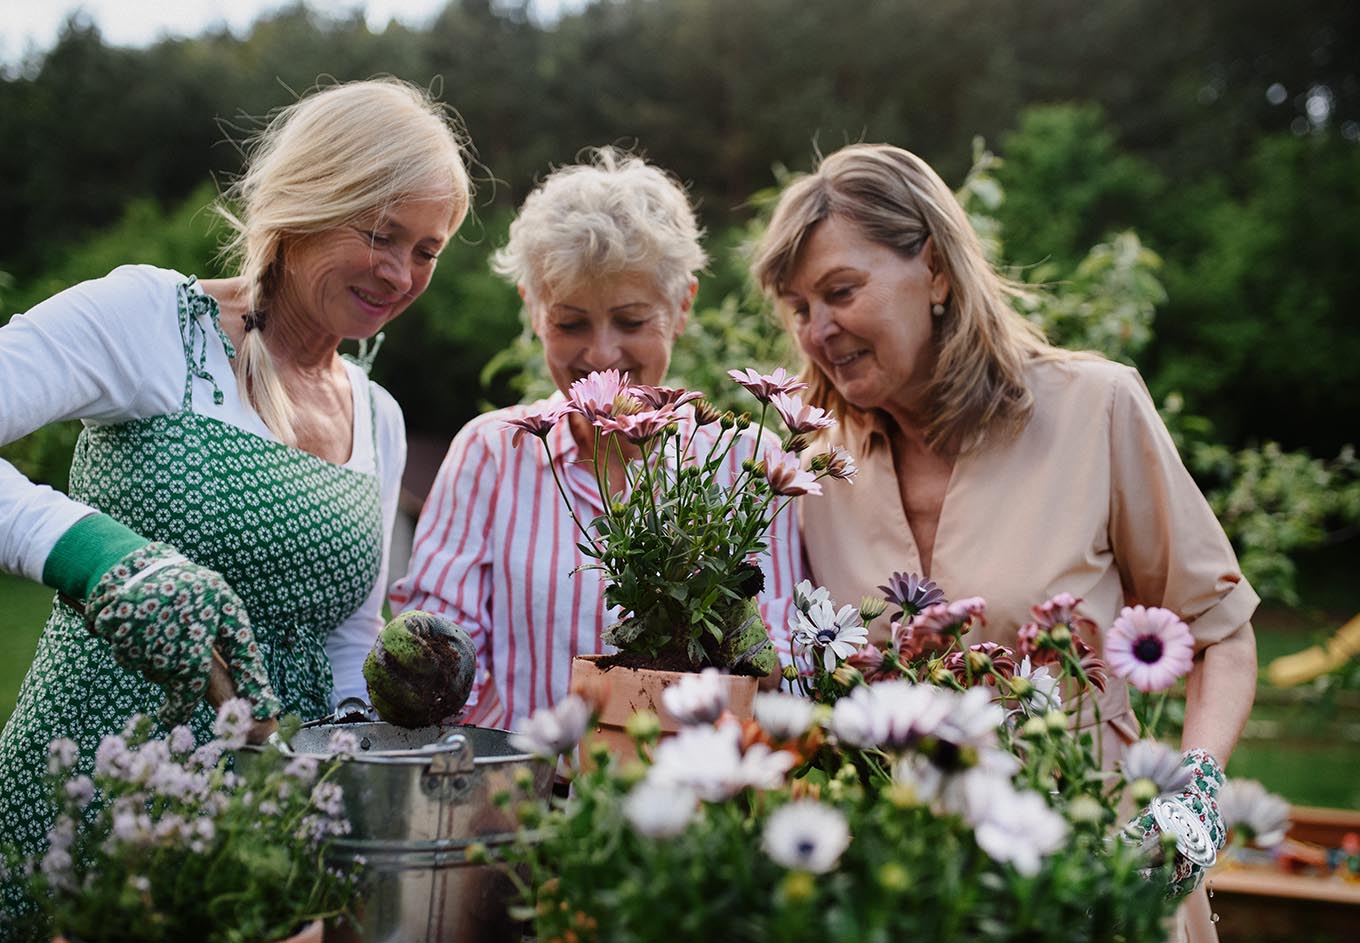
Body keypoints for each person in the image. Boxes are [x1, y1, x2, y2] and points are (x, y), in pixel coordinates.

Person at [751, 143, 1258, 942]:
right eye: (797, 308)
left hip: (1099, 874)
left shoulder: (1096, 407)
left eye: (839, 292)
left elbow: (1220, 628)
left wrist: (1191, 796)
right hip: (902, 888)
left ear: (937, 271)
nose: (817, 331)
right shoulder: (811, 472)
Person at [0, 78, 472, 865]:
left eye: (427, 250)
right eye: (383, 234)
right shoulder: (149, 322)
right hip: (84, 802)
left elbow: (349, 630)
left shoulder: (378, 416)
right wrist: (91, 553)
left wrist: (366, 728)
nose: (401, 275)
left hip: (263, 835)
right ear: (308, 203)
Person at [392, 148, 802, 730]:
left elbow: (786, 658)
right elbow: (434, 657)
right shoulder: (490, 452)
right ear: (532, 311)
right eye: (570, 322)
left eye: (632, 322)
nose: (602, 354)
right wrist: (529, 767)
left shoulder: (752, 465)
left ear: (682, 306)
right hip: (516, 799)